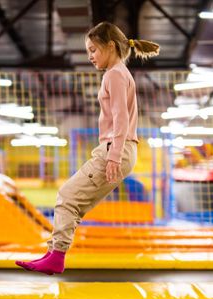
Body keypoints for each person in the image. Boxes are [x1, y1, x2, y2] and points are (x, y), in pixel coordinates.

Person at [16, 22, 160, 275]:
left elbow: (121, 117)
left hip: (116, 149)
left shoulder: (114, 74)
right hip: (120, 148)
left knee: (66, 197)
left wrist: (114, 156)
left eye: (93, 50)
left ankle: (55, 256)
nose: (90, 56)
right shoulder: (121, 73)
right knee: (74, 202)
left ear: (111, 46)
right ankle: (53, 253)